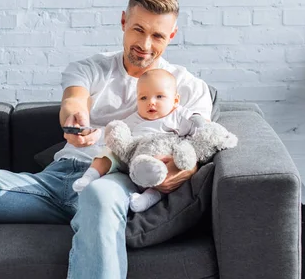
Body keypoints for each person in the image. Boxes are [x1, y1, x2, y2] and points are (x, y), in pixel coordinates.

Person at [0, 0, 213, 279]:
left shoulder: (188, 87)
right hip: (56, 181)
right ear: (123, 21)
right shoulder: (92, 68)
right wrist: (75, 119)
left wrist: (168, 172)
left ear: (171, 36)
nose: (145, 44)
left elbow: (200, 146)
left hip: (114, 180)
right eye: (138, 29)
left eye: (157, 35)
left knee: (99, 194)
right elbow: (73, 100)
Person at [72, 68, 205, 213]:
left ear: (175, 100)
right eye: (143, 98)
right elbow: (120, 134)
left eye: (159, 96)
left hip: (162, 158)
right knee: (109, 152)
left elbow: (198, 125)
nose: (151, 102)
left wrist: (198, 122)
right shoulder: (135, 118)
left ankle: (147, 199)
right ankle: (90, 175)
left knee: (163, 170)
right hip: (132, 160)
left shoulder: (178, 114)